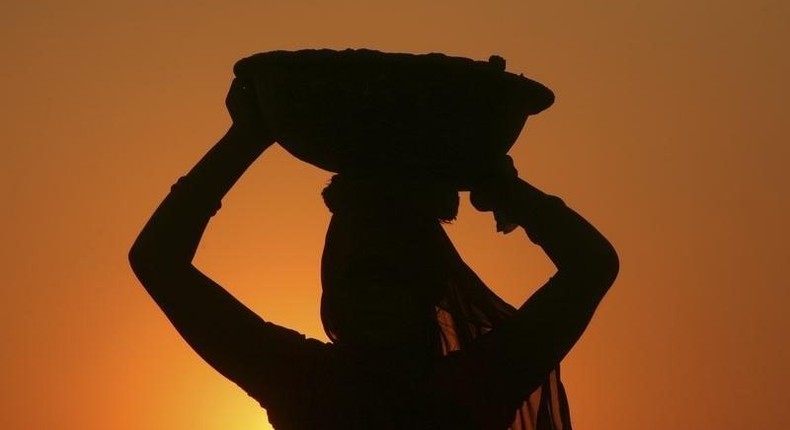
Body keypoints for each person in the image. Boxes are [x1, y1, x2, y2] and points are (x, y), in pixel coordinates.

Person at [129, 79, 619, 430]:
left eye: (389, 277)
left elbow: (593, 268)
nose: (370, 298)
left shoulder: (306, 382)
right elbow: (156, 262)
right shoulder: (305, 381)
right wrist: (244, 138)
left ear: (428, 283)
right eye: (356, 277)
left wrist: (506, 188)